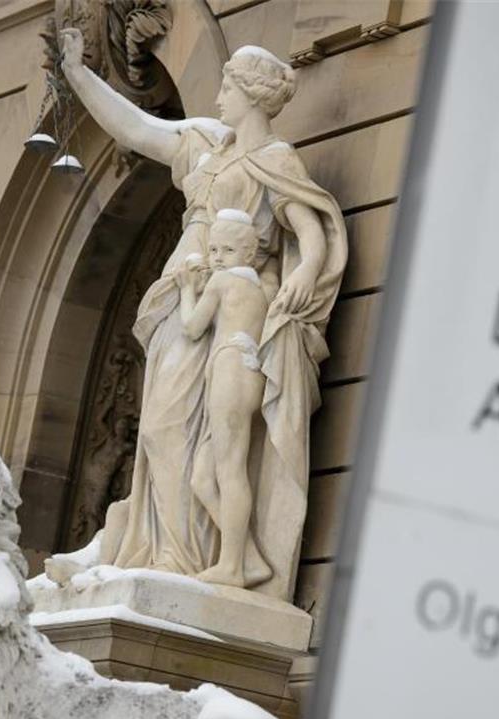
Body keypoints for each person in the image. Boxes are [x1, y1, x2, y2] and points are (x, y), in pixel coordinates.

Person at [58, 30, 347, 601]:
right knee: (161, 428)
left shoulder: (274, 159)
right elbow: (138, 129)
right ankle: (154, 544)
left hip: (224, 310)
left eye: (226, 86)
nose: (216, 97)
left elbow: (312, 233)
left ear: (251, 95)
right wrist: (78, 76)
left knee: (185, 431)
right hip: (181, 296)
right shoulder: (206, 144)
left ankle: (189, 555)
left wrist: (303, 275)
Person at [178, 211, 272, 587]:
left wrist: (188, 287)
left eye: (228, 249)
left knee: (230, 470)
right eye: (213, 248)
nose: (217, 257)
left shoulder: (222, 282)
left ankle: (231, 567)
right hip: (246, 373)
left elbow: (192, 327)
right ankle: (249, 558)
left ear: (249, 253)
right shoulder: (259, 290)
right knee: (203, 477)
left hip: (231, 370)